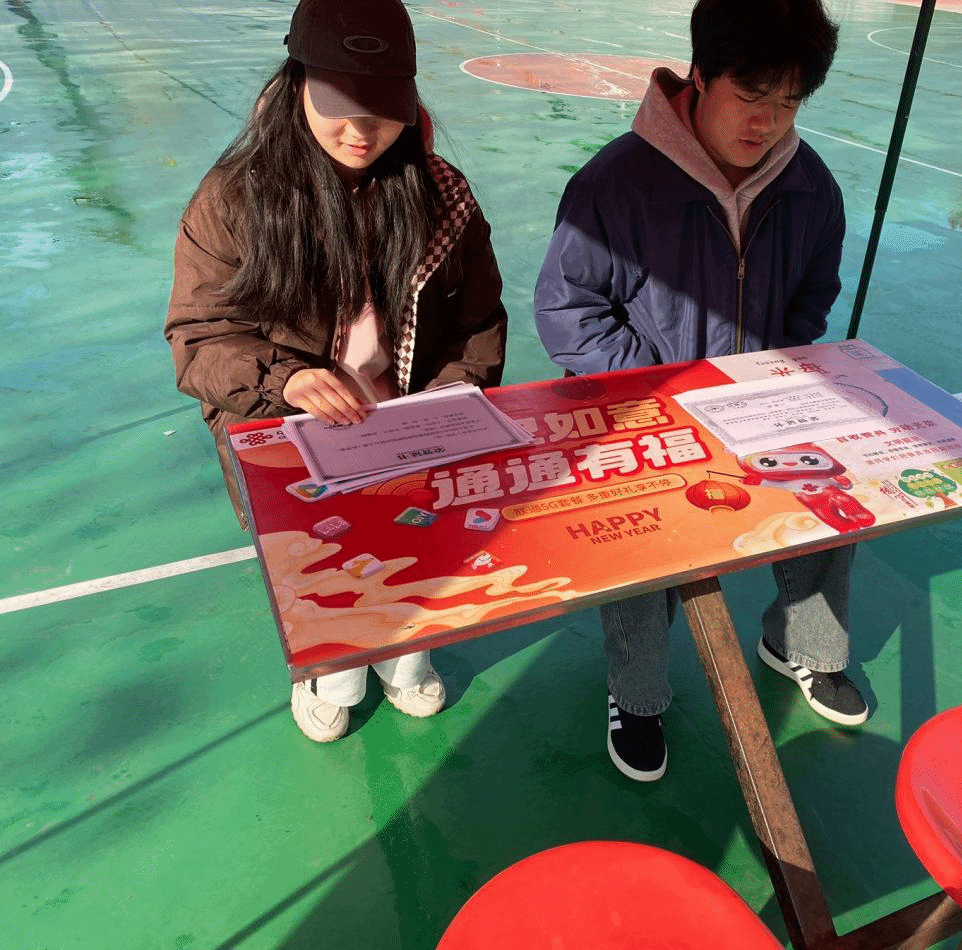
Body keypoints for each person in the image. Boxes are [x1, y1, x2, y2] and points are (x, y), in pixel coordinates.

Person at [535, 0, 863, 783]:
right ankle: (638, 695)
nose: (768, 122)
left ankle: (804, 646)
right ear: (701, 76)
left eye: (789, 102)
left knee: (835, 492)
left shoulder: (811, 187)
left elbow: (814, 292)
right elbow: (567, 310)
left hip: (759, 399)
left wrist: (778, 371)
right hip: (646, 407)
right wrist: (654, 389)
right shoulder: (615, 184)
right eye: (750, 95)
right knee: (641, 541)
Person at [166, 0, 508, 743]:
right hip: (285, 421)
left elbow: (478, 321)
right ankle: (331, 670)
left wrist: (451, 397)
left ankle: (407, 654)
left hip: (404, 414)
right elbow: (199, 336)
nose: (360, 131)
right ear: (297, 84)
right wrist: (283, 379)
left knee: (416, 542)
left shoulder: (441, 194)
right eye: (338, 106)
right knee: (324, 558)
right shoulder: (236, 197)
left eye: (382, 108)